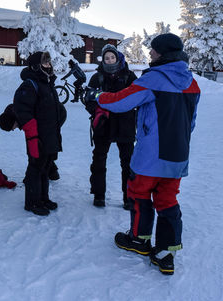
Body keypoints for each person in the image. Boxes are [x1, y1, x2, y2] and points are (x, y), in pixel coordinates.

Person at [84, 33, 200, 275]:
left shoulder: (153, 80)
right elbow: (191, 122)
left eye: (153, 51)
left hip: (150, 155)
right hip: (178, 154)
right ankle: (166, 253)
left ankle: (139, 239)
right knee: (168, 199)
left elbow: (120, 102)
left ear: (163, 53)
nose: (150, 54)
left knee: (138, 193)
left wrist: (96, 96)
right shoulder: (192, 83)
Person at [85, 44, 137, 209]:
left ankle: (129, 197)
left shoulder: (129, 76)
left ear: (117, 57)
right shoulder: (97, 77)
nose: (109, 60)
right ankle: (99, 195)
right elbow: (88, 99)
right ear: (103, 59)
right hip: (103, 125)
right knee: (99, 161)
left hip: (126, 125)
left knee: (128, 163)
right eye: (106, 58)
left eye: (112, 57)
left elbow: (138, 97)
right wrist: (97, 110)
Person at [13, 51, 65, 216]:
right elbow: (23, 111)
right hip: (37, 136)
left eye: (49, 63)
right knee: (36, 167)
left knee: (46, 166)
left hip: (50, 134)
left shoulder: (47, 82)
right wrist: (32, 136)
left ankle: (43, 198)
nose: (48, 66)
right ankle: (32, 202)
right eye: (45, 63)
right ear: (36, 66)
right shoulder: (30, 84)